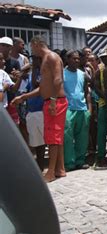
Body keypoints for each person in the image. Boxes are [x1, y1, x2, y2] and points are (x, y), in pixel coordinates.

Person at [12, 35, 67, 182]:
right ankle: (60, 169)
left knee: (53, 138)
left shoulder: (51, 57)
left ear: (36, 44)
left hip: (55, 101)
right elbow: (42, 88)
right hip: (50, 100)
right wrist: (23, 97)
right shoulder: (44, 60)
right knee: (56, 137)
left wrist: (54, 101)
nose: (31, 51)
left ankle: (50, 173)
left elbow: (58, 79)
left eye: (31, 47)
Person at [63, 50, 90, 171]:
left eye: (78, 58)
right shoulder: (62, 74)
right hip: (68, 108)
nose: (76, 61)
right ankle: (69, 163)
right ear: (67, 59)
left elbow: (86, 91)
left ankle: (80, 161)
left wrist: (89, 109)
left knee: (82, 137)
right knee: (67, 136)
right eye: (74, 58)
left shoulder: (82, 74)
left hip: (82, 108)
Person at [24, 55, 46, 171]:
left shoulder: (43, 73)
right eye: (33, 59)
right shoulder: (32, 73)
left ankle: (41, 167)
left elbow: (37, 85)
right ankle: (38, 167)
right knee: (35, 141)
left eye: (37, 59)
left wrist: (34, 69)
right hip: (32, 111)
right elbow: (29, 88)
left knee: (42, 142)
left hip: (42, 110)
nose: (34, 61)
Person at [93, 51, 107, 167]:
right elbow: (96, 86)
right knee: (102, 131)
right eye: (102, 57)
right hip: (103, 104)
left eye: (106, 56)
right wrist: (106, 98)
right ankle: (101, 156)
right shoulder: (99, 70)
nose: (105, 59)